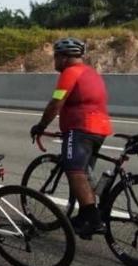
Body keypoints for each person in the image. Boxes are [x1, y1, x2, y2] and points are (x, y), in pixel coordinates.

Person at [30, 37, 113, 240]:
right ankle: (88, 215)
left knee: (73, 169)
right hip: (100, 129)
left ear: (65, 58)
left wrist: (41, 126)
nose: (55, 62)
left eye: (56, 57)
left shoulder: (70, 73)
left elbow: (56, 103)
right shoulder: (91, 72)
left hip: (81, 128)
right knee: (84, 174)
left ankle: (92, 219)